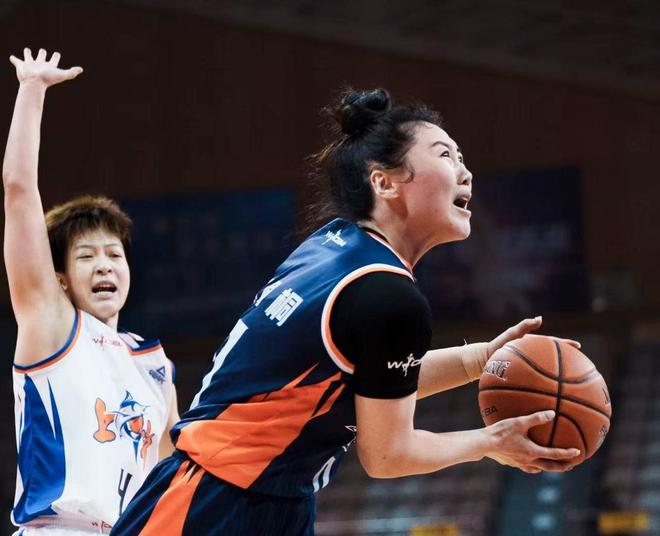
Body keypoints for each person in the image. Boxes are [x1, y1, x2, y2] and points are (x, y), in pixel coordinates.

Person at [112, 88, 581, 536]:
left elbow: (356, 382)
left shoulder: (335, 244)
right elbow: (388, 454)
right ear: (384, 182)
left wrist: (479, 359)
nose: (465, 172)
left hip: (269, 496)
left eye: (461, 158)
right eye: (445, 155)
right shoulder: (386, 295)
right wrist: (489, 443)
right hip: (213, 500)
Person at [3, 48, 180, 535]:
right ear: (60, 277)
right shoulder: (51, 323)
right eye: (86, 256)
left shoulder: (155, 365)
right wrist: (32, 89)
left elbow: (172, 484)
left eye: (114, 254)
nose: (104, 264)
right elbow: (18, 191)